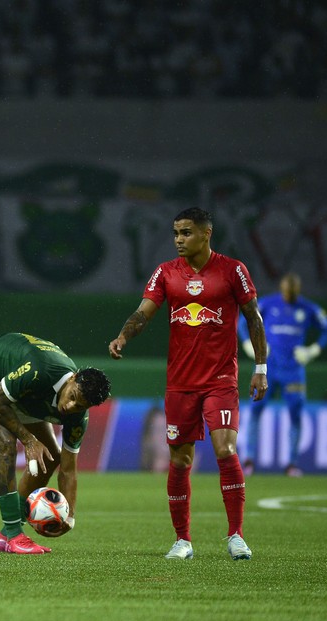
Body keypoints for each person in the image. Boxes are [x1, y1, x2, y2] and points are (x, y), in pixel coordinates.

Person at [108, 206, 268, 561]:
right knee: (180, 460)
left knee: (225, 449)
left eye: (186, 233)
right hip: (180, 383)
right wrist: (123, 337)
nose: (179, 240)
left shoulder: (233, 270)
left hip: (220, 380)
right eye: (176, 233)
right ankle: (182, 540)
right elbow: (143, 312)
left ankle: (236, 536)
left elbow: (253, 317)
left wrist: (261, 367)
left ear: (206, 233)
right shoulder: (166, 272)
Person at [0, 332, 111, 554]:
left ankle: (6, 534)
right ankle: (13, 535)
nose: (70, 407)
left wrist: (69, 517)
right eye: (72, 396)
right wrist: (29, 441)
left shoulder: (78, 418)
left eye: (79, 406)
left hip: (22, 393)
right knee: (6, 447)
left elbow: (68, 468)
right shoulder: (40, 371)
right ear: (73, 378)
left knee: (51, 457)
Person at [238, 272, 327, 477]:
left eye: (292, 293)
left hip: (293, 370)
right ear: (282, 289)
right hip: (268, 368)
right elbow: (242, 321)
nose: (288, 296)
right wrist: (247, 343)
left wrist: (313, 350)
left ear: (297, 291)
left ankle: (292, 463)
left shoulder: (308, 308)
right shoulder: (268, 304)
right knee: (255, 410)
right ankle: (249, 460)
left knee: (295, 414)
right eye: (286, 292)